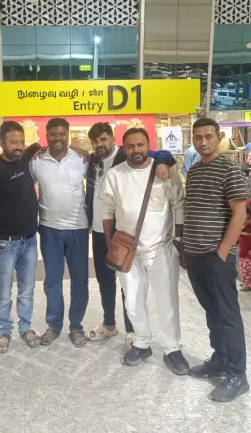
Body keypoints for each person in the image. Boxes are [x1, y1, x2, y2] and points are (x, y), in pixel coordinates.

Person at [101, 128, 189, 373]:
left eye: (140, 145)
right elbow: (107, 210)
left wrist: (178, 240)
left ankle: (172, 348)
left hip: (162, 249)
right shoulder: (115, 175)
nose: (136, 150)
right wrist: (111, 244)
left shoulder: (164, 171)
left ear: (149, 145)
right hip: (128, 251)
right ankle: (141, 343)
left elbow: (179, 204)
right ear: (124, 148)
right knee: (132, 300)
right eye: (130, 146)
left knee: (167, 301)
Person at [85, 122, 176, 345]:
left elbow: (159, 154)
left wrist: (163, 160)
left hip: (123, 234)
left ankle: (132, 330)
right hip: (99, 230)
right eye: (95, 141)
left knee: (129, 284)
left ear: (113, 139)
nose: (100, 144)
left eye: (104, 139)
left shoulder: (125, 155)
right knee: (105, 279)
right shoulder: (93, 160)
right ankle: (109, 324)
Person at [183, 117, 249, 402]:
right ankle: (220, 359)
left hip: (216, 257)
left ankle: (237, 374)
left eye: (208, 136)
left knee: (228, 314)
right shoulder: (195, 170)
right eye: (198, 137)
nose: (203, 142)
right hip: (195, 255)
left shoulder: (230, 170)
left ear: (219, 138)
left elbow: (240, 214)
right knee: (212, 311)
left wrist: (223, 252)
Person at [0, 121, 41, 353]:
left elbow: (42, 146)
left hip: (30, 240)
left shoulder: (25, 160)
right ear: (1, 143)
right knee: (4, 292)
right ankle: (4, 331)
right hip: (5, 243)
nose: (18, 146)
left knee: (27, 290)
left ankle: (26, 328)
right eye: (13, 142)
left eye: (21, 142)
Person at [30, 117, 89, 347]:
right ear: (46, 135)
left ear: (68, 134)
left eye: (62, 133)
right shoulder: (36, 161)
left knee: (79, 281)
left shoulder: (81, 159)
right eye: (53, 134)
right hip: (49, 229)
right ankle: (54, 325)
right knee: (52, 281)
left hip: (78, 229)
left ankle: (76, 326)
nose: (58, 138)